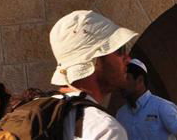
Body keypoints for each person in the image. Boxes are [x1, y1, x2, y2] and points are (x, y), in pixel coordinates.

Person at [49, 10, 138, 139]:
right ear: (95, 61)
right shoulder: (105, 130)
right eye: (119, 50)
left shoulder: (38, 116)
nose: (128, 59)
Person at [116, 59, 177, 140]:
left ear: (140, 80)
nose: (121, 83)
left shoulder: (162, 107)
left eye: (127, 78)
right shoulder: (121, 114)